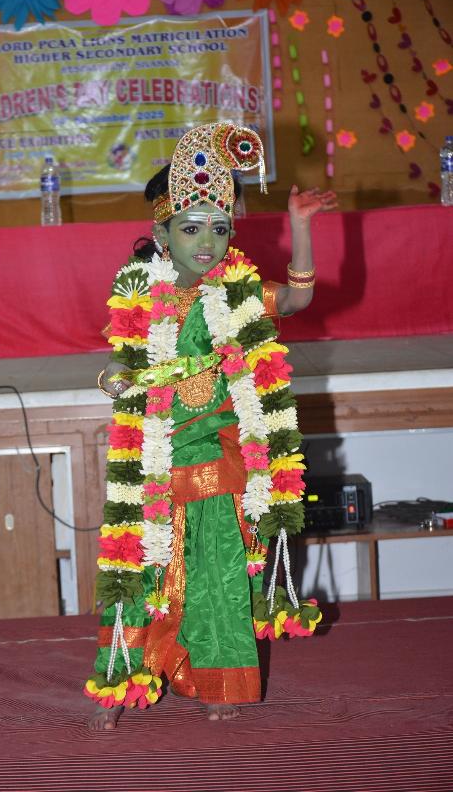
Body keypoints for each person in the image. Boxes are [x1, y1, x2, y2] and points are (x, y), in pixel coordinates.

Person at [86, 122, 336, 730]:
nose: (207, 242)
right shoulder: (137, 292)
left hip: (222, 455)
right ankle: (125, 683)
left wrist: (300, 228)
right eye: (191, 228)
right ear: (162, 233)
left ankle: (221, 685)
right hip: (156, 460)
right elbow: (122, 357)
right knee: (144, 570)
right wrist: (113, 378)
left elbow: (298, 301)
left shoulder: (240, 292)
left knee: (220, 567)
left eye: (219, 228)